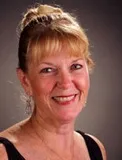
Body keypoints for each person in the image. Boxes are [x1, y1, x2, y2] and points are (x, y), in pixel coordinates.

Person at [0, 4, 106, 160]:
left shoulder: (95, 149)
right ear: (25, 81)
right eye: (48, 70)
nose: (65, 83)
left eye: (75, 66)